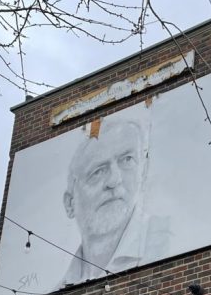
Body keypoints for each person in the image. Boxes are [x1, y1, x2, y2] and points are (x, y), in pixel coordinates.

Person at [60, 115, 170, 285]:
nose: (114, 180)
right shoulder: (59, 288)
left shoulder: (172, 241)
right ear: (70, 204)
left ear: (143, 171)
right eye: (98, 171)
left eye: (127, 160)